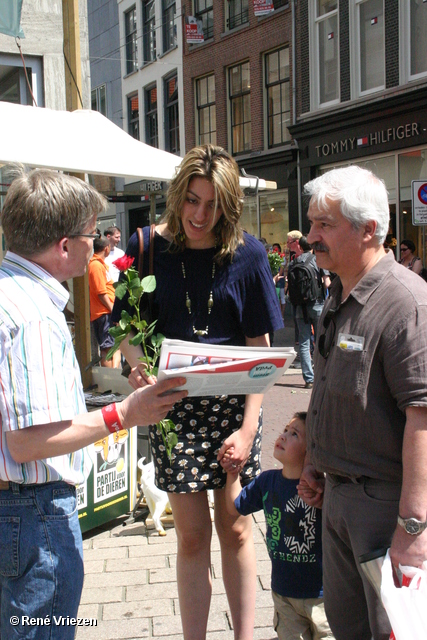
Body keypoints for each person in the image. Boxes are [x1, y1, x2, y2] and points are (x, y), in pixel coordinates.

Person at [0, 167, 187, 640]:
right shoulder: (35, 316)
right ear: (65, 245)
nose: (99, 244)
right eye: (91, 235)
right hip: (33, 512)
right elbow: (27, 442)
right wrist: (125, 413)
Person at [111, 144, 283, 640]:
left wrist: (249, 429)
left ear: (228, 206)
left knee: (234, 527)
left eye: (211, 204)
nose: (199, 215)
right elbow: (123, 327)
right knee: (190, 537)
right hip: (173, 412)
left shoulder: (247, 253)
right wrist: (138, 366)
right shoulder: (148, 247)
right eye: (191, 200)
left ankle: (245, 635)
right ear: (177, 197)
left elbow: (261, 349)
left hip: (235, 410)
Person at [297, 165, 427, 640]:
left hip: (384, 506)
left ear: (369, 229)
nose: (312, 236)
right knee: (349, 627)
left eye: (324, 225)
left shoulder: (407, 303)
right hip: (338, 497)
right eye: (312, 223)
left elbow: (423, 419)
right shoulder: (339, 293)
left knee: (392, 630)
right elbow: (331, 385)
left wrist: (412, 529)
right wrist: (314, 459)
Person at [224, 412, 334, 640]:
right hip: (284, 593)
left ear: (310, 451)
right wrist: (232, 474)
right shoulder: (267, 481)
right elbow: (235, 507)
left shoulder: (322, 487)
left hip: (323, 594)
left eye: (294, 434)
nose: (283, 436)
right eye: (285, 429)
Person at [288, 236, 330, 389]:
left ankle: (309, 379)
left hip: (300, 307)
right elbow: (327, 283)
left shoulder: (293, 262)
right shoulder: (317, 260)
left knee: (304, 343)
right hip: (317, 304)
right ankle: (320, 375)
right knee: (320, 340)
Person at [88, 236, 121, 368]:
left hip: (107, 312)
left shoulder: (101, 264)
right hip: (104, 313)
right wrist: (114, 311)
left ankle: (115, 376)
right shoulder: (95, 265)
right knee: (107, 349)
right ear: (106, 248)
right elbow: (101, 293)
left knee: (115, 346)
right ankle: (110, 381)